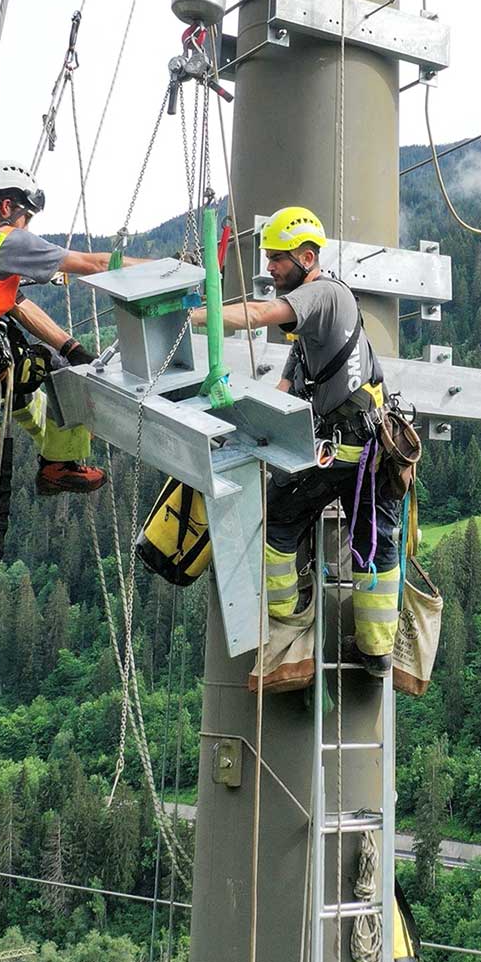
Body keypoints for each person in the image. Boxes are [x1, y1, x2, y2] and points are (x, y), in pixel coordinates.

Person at [191, 206, 403, 675]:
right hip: (368, 449)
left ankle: (288, 624)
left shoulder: (323, 295)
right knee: (376, 542)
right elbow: (285, 391)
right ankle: (377, 651)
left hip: (342, 450)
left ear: (308, 257)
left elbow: (262, 312)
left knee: (280, 526)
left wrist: (202, 316)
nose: (269, 268)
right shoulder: (312, 332)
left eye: (278, 259)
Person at [0, 159, 137, 495]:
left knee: (39, 360)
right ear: (7, 206)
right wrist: (164, 270)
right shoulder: (6, 240)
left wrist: (71, 347)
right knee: (64, 372)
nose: (27, 228)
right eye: (26, 218)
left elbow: (17, 304)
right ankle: (60, 464)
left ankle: (50, 447)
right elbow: (95, 264)